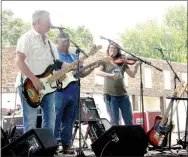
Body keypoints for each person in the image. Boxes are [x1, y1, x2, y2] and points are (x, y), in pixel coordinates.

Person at [15, 10, 69, 135]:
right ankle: (31, 152)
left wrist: (61, 75)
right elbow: (19, 62)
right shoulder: (26, 38)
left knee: (50, 121)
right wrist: (34, 79)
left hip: (48, 87)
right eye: (48, 20)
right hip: (28, 85)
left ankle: (46, 151)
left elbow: (54, 65)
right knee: (30, 122)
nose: (51, 23)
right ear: (38, 22)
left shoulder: (50, 43)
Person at [54, 32, 98, 154]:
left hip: (74, 93)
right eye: (63, 41)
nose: (66, 43)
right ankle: (52, 145)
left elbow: (81, 74)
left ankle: (66, 145)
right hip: (59, 93)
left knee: (70, 120)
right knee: (55, 119)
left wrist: (91, 68)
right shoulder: (54, 54)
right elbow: (52, 72)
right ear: (57, 41)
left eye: (67, 41)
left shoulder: (74, 56)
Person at [95, 43, 141, 126]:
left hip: (123, 95)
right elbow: (97, 72)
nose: (113, 49)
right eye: (111, 48)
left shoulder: (122, 62)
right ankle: (118, 138)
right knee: (115, 122)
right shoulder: (105, 61)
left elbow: (132, 75)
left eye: (115, 48)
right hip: (110, 95)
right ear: (108, 50)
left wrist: (136, 65)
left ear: (118, 51)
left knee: (129, 120)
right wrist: (110, 75)